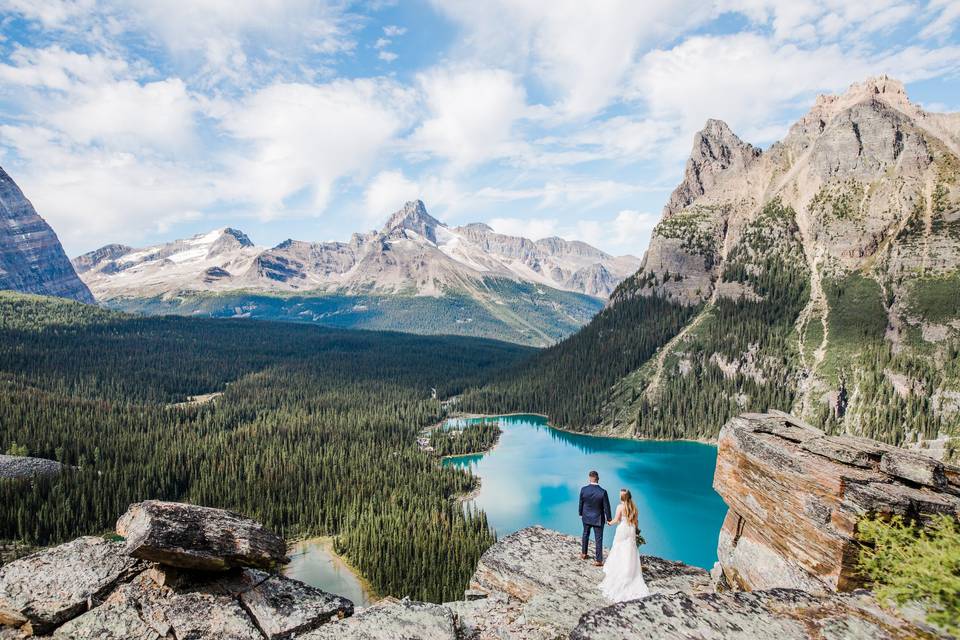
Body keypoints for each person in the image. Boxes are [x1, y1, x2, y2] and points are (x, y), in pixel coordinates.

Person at [599, 488, 650, 602]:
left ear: (622, 497)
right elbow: (636, 522)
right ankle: (630, 572)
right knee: (630, 551)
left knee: (619, 549)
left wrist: (608, 522)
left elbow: (616, 520)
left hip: (622, 529)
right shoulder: (634, 508)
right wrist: (636, 531)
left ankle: (618, 570)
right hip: (631, 529)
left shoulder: (620, 507)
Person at [578, 470, 611, 566]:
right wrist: (609, 519)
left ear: (589, 478)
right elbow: (606, 507)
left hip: (586, 516)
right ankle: (599, 560)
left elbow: (581, 503)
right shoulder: (603, 492)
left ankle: (584, 554)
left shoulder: (583, 489)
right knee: (598, 539)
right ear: (598, 479)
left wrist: (580, 513)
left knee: (585, 534)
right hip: (598, 519)